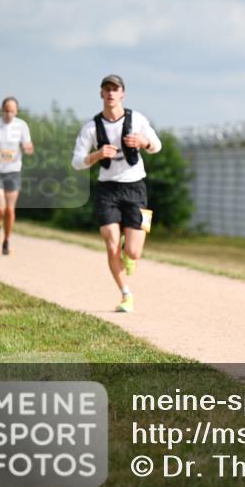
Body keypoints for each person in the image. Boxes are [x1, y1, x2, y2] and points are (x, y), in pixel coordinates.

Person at [71, 74, 162, 313]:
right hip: (107, 189)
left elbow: (157, 146)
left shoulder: (137, 119)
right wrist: (97, 155)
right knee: (111, 245)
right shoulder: (92, 127)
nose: (111, 93)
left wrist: (143, 142)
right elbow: (76, 162)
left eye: (115, 89)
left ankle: (128, 250)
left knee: (134, 252)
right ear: (101, 94)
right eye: (106, 89)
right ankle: (126, 294)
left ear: (123, 94)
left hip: (136, 188)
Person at [0, 97, 34, 255]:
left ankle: (6, 241)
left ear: (16, 111)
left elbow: (27, 145)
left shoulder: (22, 125)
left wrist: (28, 148)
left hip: (13, 170)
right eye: (6, 110)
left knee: (10, 210)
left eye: (12, 110)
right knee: (0, 208)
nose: (9, 113)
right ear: (2, 110)